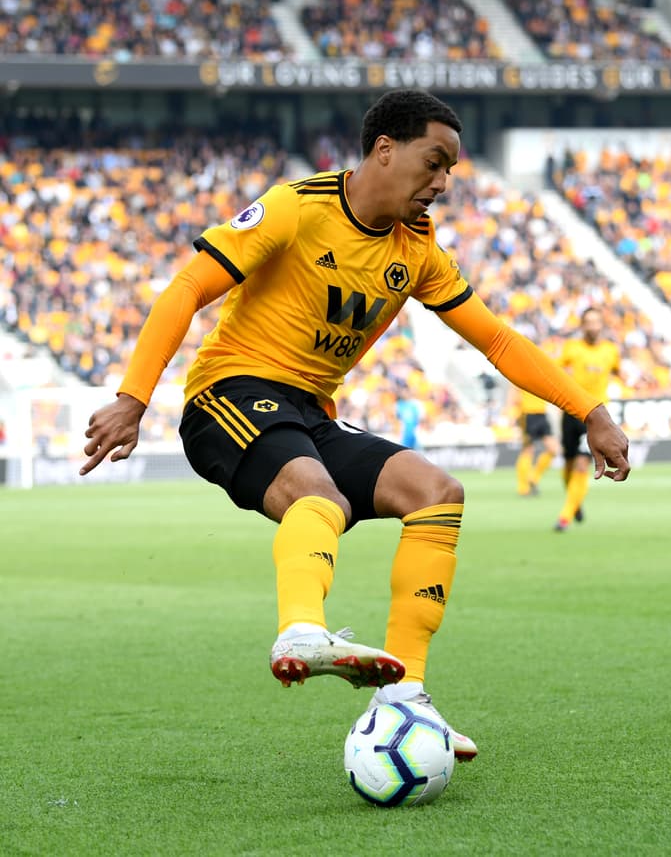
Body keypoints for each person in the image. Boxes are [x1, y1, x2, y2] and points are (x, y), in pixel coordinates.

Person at [79, 89, 631, 760]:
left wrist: (591, 411)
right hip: (229, 395)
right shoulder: (297, 206)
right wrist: (134, 396)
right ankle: (301, 632)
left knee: (437, 493)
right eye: (434, 163)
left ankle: (405, 697)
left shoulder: (417, 251)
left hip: (310, 413)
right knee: (320, 498)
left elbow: (499, 342)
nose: (444, 183)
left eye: (451, 169)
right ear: (384, 149)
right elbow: (187, 287)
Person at [554, 306, 621, 532]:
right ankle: (576, 503)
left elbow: (620, 372)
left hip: (595, 416)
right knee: (569, 464)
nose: (592, 326)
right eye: (588, 322)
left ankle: (564, 518)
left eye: (596, 321)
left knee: (583, 465)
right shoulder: (572, 348)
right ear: (583, 325)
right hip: (570, 412)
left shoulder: (610, 351)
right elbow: (555, 370)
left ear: (601, 325)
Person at [513, 386, 560, 496]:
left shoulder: (540, 372)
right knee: (527, 450)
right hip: (528, 414)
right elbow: (514, 395)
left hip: (542, 414)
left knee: (553, 449)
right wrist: (514, 413)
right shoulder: (520, 374)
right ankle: (523, 487)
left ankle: (533, 478)